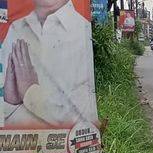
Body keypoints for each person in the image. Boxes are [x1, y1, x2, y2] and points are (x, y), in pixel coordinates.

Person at [1, 0, 98, 129]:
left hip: (66, 145)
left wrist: (30, 92)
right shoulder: (15, 29)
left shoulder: (81, 30)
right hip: (19, 145)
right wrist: (11, 102)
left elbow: (79, 117)